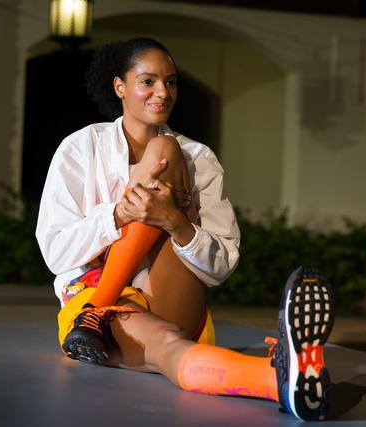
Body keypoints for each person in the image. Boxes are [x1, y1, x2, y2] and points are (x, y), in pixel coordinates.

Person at [35, 37, 335, 421]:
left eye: (171, 82)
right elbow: (55, 253)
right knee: (167, 346)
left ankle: (93, 314)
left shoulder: (198, 158)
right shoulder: (80, 149)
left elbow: (221, 265)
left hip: (170, 297)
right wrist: (117, 215)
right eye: (148, 81)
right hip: (96, 302)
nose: (163, 92)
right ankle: (277, 378)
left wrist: (175, 223)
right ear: (120, 87)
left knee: (166, 150)